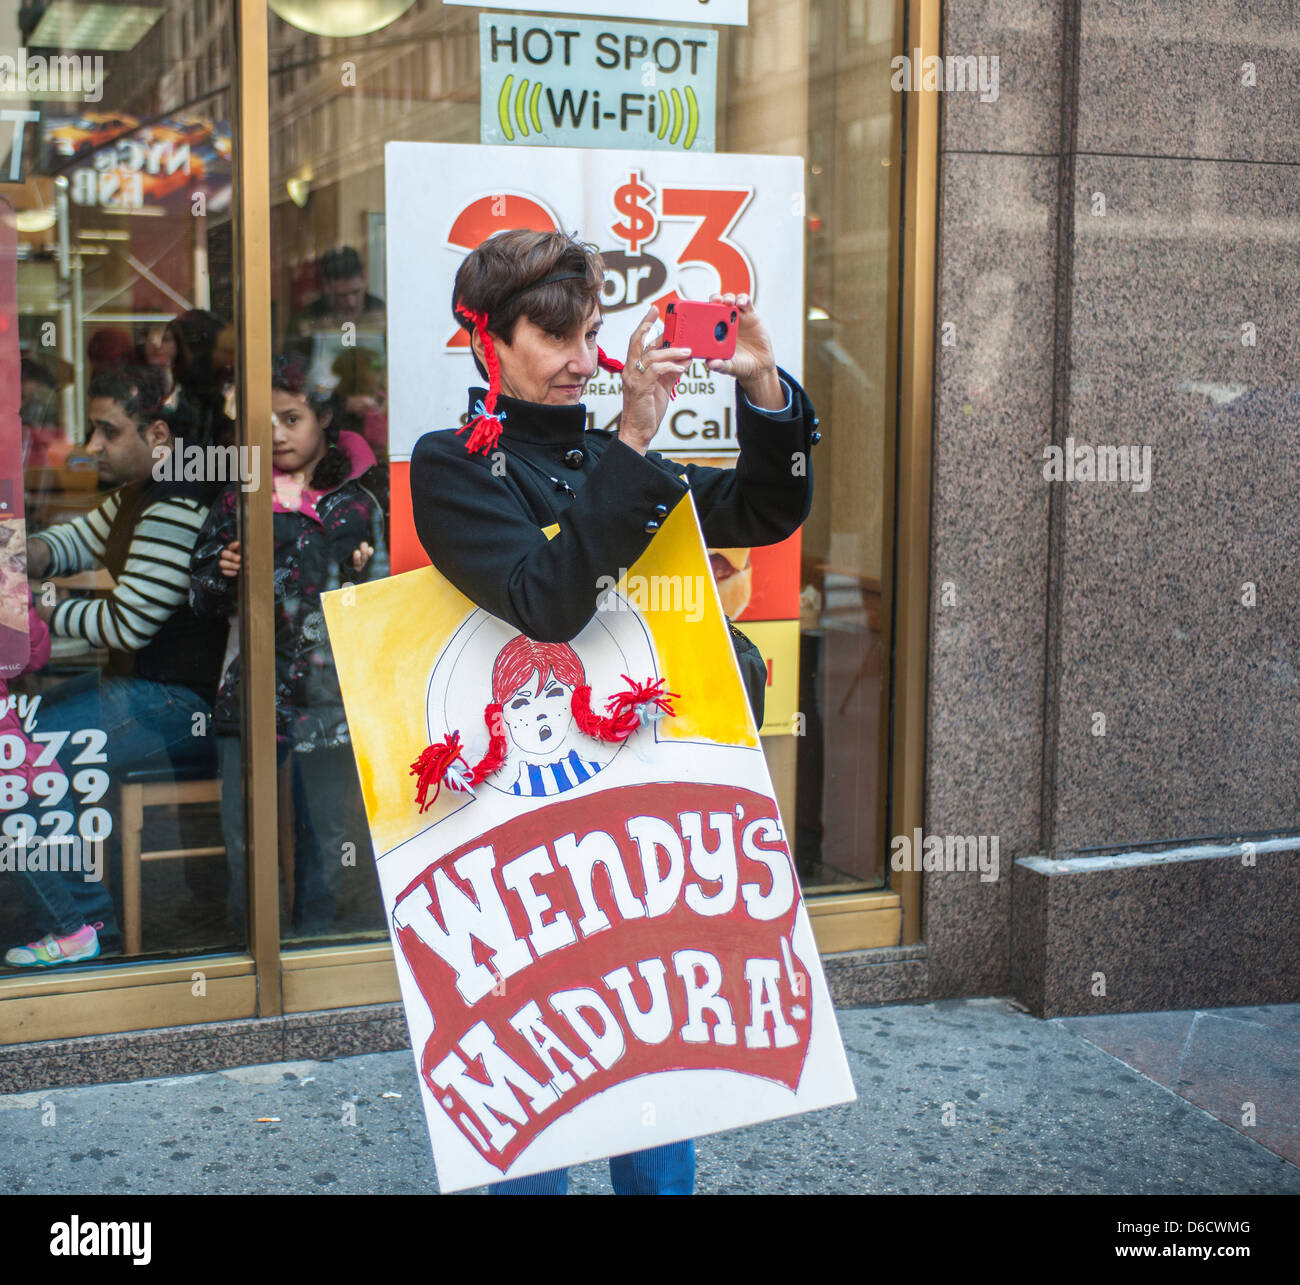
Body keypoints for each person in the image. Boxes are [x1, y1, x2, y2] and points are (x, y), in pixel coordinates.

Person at [408, 228, 821, 1194]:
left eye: (591, 335)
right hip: (516, 842)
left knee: (653, 1058)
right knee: (530, 1070)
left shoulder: (607, 456)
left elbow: (768, 510)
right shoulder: (450, 465)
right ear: (487, 342)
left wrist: (760, 384)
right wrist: (633, 442)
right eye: (555, 339)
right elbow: (547, 598)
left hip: (640, 817)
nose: (582, 363)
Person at [7, 366, 227, 966]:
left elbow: (128, 623)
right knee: (15, 737)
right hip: (143, 691)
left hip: (181, 706)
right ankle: (87, 921)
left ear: (157, 435)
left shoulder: (177, 501)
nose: (92, 446)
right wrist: (13, 556)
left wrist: (34, 613)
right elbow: (68, 543)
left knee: (20, 755)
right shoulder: (137, 495)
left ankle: (79, 927)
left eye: (108, 431)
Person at [189, 359, 387, 939]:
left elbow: (383, 595)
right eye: (263, 420)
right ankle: (254, 945)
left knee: (326, 829)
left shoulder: (357, 501)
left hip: (330, 694)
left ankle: (316, 944)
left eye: (291, 416)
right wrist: (222, 573)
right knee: (245, 829)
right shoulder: (235, 500)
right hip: (250, 692)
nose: (275, 431)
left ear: (324, 417)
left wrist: (359, 570)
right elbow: (199, 600)